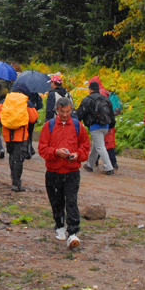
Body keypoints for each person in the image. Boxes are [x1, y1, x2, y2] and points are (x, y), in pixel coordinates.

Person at [38, 93, 90, 248]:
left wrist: (77, 155)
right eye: (63, 112)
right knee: (56, 201)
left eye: (68, 112)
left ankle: (73, 231)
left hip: (72, 171)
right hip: (53, 171)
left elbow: (85, 146)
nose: (66, 115)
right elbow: (42, 148)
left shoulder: (77, 126)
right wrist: (56, 152)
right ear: (57, 111)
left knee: (71, 201)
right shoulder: (49, 126)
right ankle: (59, 226)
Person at [0, 87, 38, 191]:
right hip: (21, 135)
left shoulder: (5, 101)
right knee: (18, 159)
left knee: (12, 156)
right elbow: (34, 118)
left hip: (8, 135)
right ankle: (16, 183)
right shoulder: (26, 101)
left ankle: (13, 179)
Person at [78, 81, 114, 175]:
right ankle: (90, 164)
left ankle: (108, 167)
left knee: (100, 146)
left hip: (95, 126)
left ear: (90, 89)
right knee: (96, 145)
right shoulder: (105, 99)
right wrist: (111, 126)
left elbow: (81, 113)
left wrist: (76, 122)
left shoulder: (87, 99)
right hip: (105, 126)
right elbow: (111, 114)